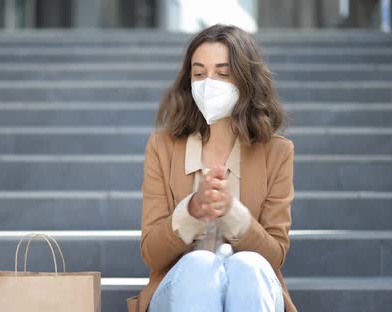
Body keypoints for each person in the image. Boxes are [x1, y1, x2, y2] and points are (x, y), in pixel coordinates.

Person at [126, 24, 296, 312]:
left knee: (249, 263)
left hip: (252, 287)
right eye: (199, 73)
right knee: (200, 264)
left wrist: (233, 214)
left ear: (245, 81)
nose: (209, 83)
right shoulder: (162, 147)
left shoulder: (277, 152)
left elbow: (274, 256)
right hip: (179, 288)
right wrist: (191, 210)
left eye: (223, 73)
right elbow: (152, 255)